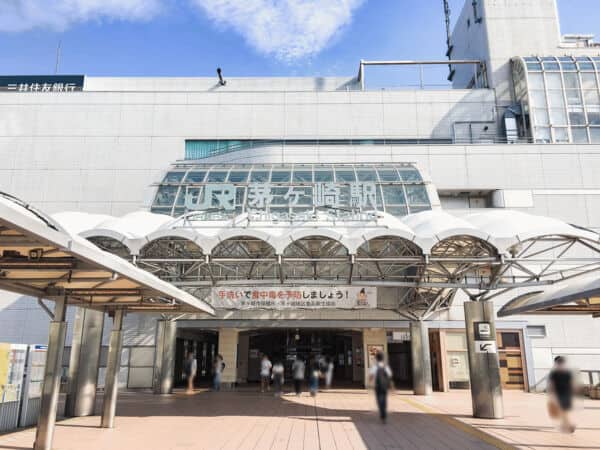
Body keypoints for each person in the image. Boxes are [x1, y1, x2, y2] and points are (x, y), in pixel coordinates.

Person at [548, 356, 576, 433]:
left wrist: (551, 395)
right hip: (567, 393)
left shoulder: (554, 373)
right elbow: (572, 383)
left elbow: (552, 385)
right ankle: (565, 425)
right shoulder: (568, 372)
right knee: (564, 410)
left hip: (559, 393)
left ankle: (569, 425)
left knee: (562, 410)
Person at [369, 351, 393, 423]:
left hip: (378, 386)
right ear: (383, 358)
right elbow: (389, 376)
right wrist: (392, 387)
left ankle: (382, 414)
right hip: (385, 386)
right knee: (384, 400)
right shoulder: (386, 366)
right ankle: (384, 414)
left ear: (376, 358)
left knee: (379, 400)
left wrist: (370, 384)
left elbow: (371, 376)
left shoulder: (375, 366)